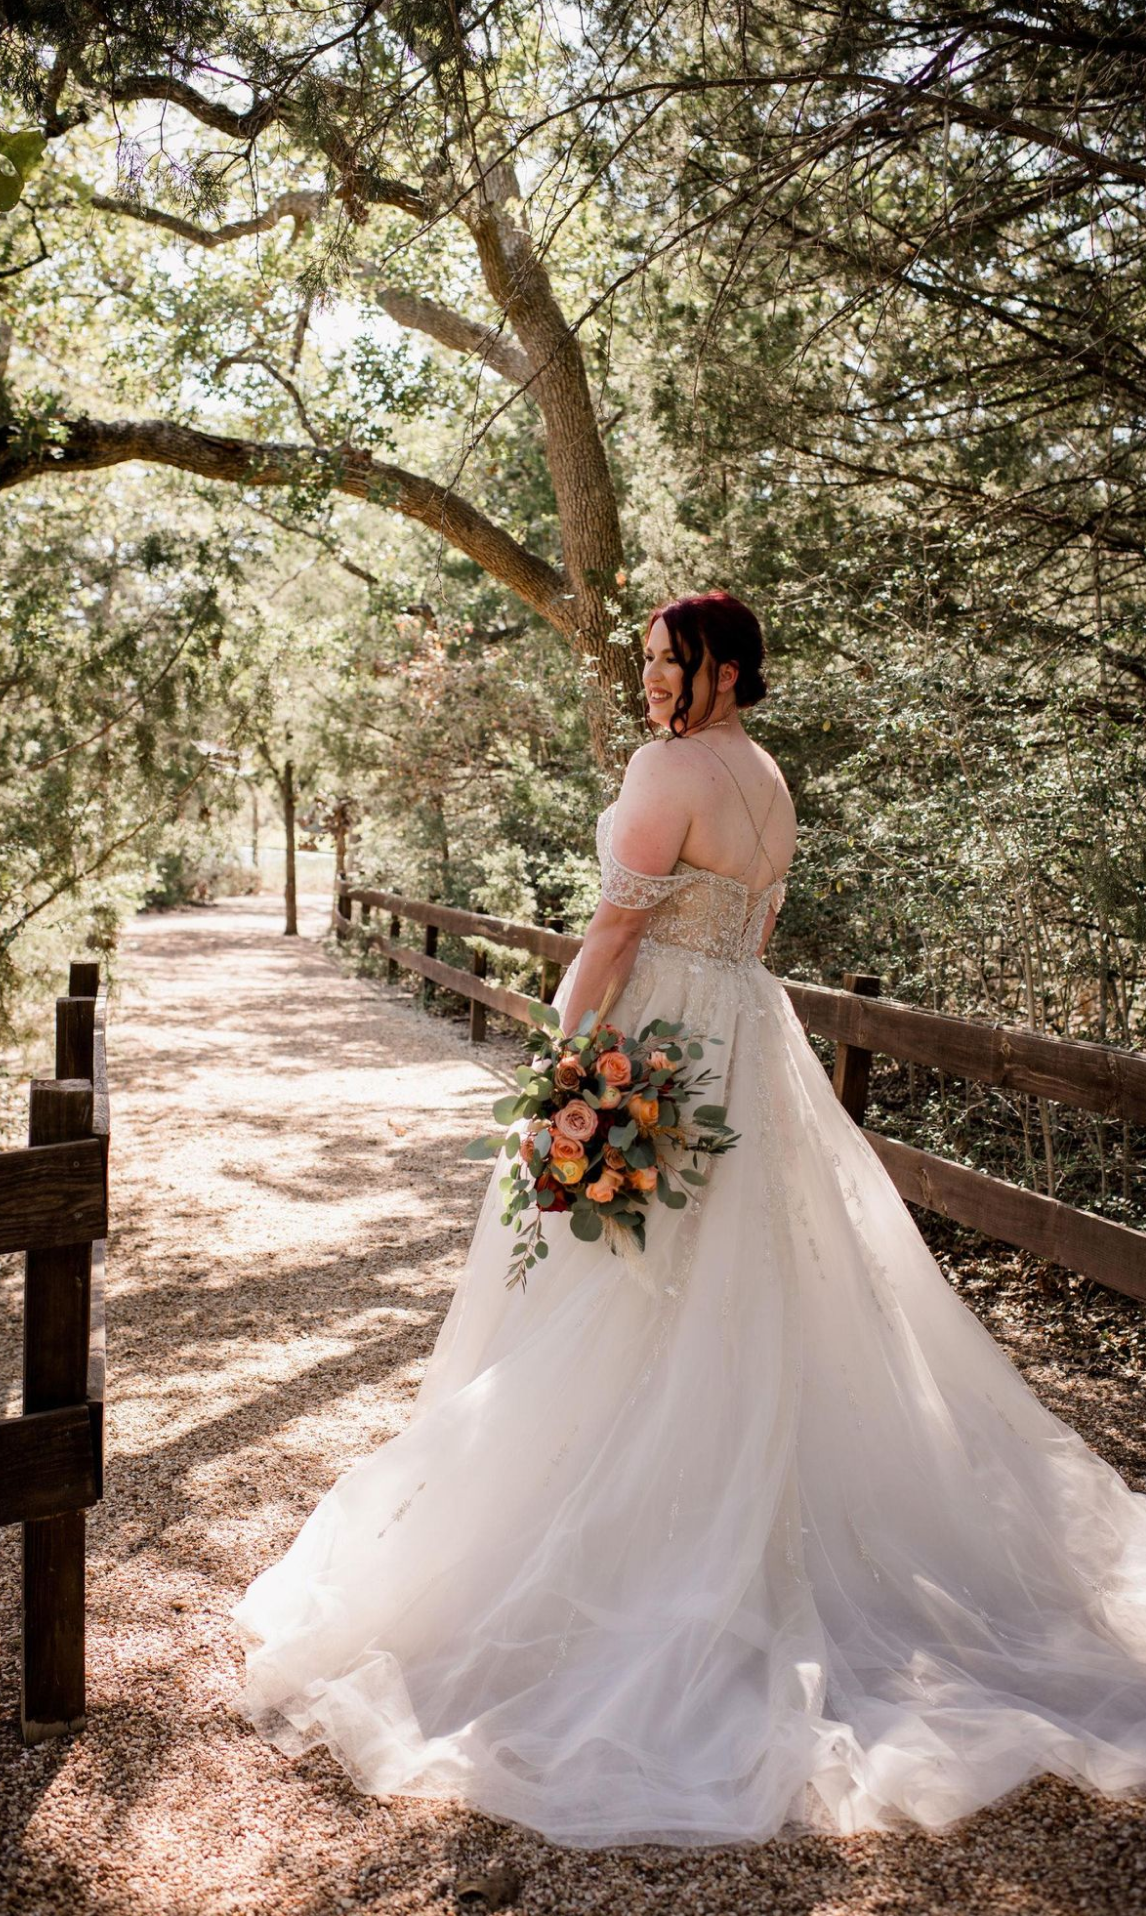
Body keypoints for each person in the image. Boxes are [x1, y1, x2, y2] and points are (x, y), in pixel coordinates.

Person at [233, 589, 1146, 1849]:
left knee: (629, 1273)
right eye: (651, 659)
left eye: (672, 658)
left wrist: (568, 1038)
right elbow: (755, 926)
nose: (653, 677)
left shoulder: (668, 765)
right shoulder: (766, 775)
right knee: (739, 1279)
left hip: (661, 1040)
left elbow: (616, 923)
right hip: (746, 1041)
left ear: (721, 665)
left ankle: (636, 1554)